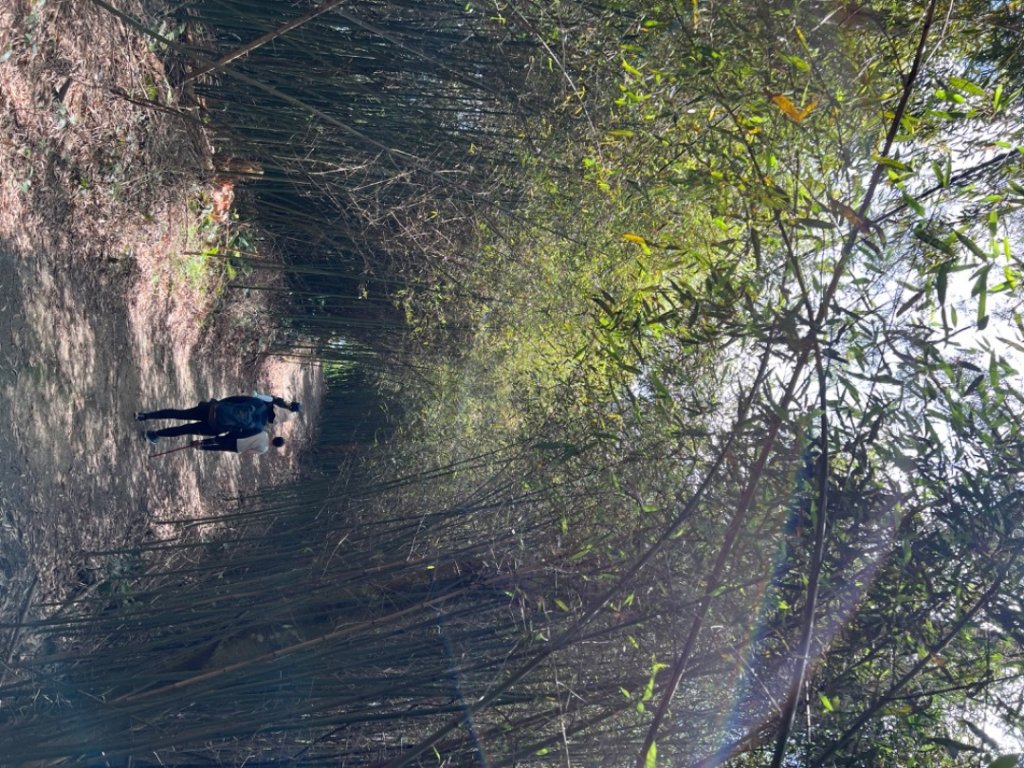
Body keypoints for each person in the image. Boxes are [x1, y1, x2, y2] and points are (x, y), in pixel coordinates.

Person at [137, 393, 301, 442]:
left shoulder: (258, 403)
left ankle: (145, 416)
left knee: (180, 413)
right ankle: (153, 435)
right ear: (275, 421)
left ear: (276, 408)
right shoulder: (258, 428)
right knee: (184, 430)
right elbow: (235, 435)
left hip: (212, 409)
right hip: (214, 426)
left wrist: (218, 405)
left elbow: (234, 399)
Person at [193, 430, 286, 455]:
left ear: (275, 437)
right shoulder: (264, 449)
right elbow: (249, 452)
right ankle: (201, 447)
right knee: (219, 447)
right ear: (275, 446)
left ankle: (200, 442)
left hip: (237, 438)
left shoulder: (264, 433)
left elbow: (250, 431)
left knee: (219, 439)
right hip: (238, 447)